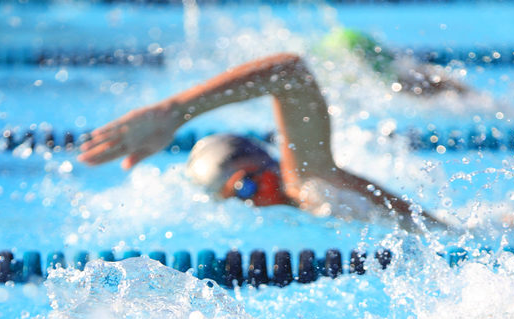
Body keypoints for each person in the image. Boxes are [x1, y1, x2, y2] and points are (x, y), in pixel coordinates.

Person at [78, 53, 449, 231]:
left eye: (246, 185)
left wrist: (178, 111)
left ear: (267, 164)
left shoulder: (308, 180)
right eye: (239, 197)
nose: (255, 200)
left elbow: (290, 73)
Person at [316, 27, 471, 97]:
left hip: (346, 46)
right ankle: (465, 93)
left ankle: (464, 93)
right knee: (404, 80)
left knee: (402, 82)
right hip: (346, 44)